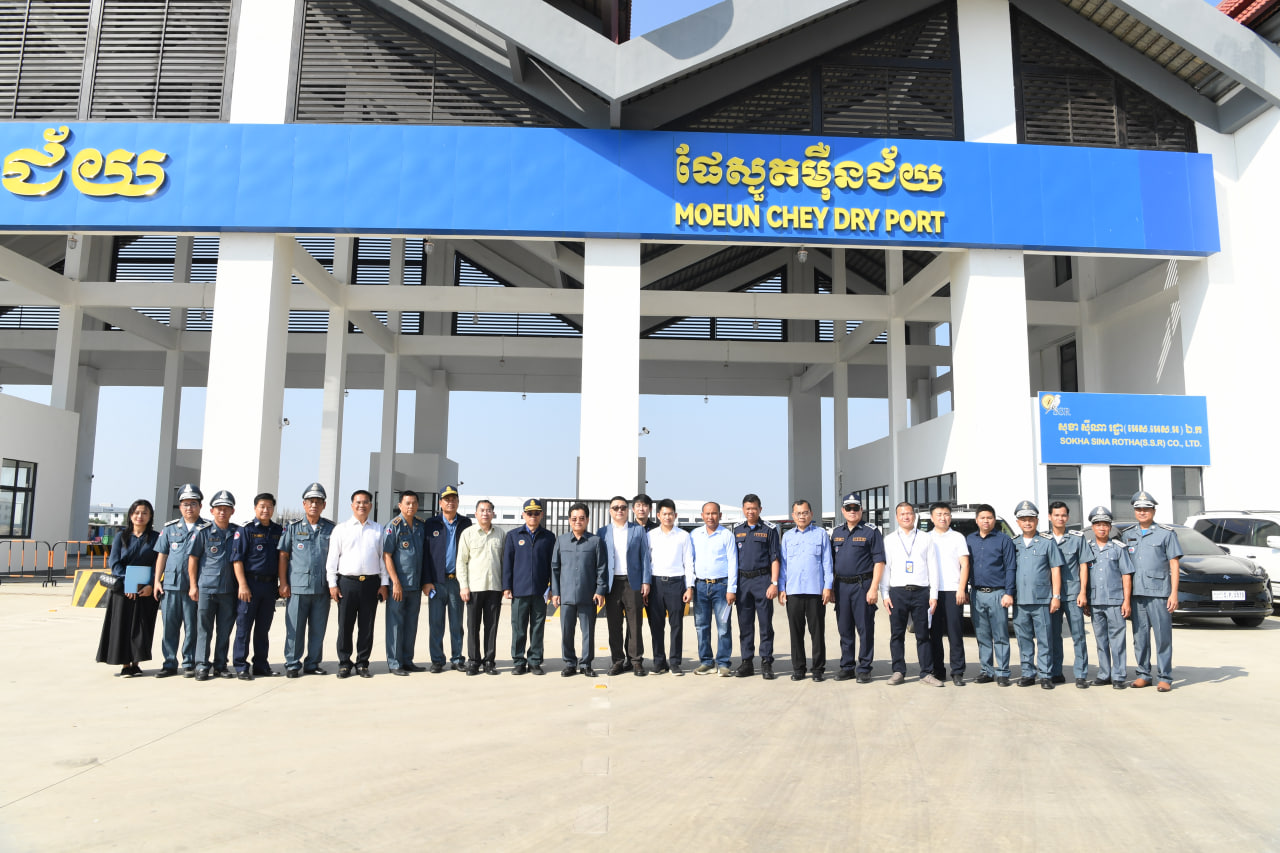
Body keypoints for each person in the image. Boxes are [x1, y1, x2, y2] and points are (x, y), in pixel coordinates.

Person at [1121, 490, 1182, 692]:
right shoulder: (1128, 534)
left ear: (1153, 511)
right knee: (1140, 637)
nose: (1142, 512)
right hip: (1137, 594)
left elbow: (1174, 564)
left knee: (1163, 637)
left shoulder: (1166, 534)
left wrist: (1174, 593)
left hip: (1159, 593)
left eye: (1146, 509)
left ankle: (1165, 676)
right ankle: (1143, 674)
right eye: (1138, 509)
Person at [325, 490, 389, 679]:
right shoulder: (341, 529)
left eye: (365, 502)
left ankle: (362, 663)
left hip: (371, 584)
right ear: (352, 505)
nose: (362, 505)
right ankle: (344, 663)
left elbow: (383, 559)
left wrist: (384, 583)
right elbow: (332, 559)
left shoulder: (378, 530)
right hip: (347, 584)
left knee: (366, 627)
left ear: (371, 505)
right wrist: (332, 584)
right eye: (358, 502)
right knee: (345, 625)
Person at [881, 502, 942, 687]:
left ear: (914, 516)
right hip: (897, 592)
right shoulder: (889, 540)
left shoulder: (925, 538)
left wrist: (934, 594)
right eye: (902, 514)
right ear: (897, 517)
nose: (906, 517)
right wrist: (885, 594)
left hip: (921, 592)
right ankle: (898, 671)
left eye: (909, 513)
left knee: (923, 634)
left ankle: (926, 673)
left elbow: (933, 567)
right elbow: (886, 568)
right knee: (897, 634)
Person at [96, 499, 159, 676]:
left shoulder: (156, 537)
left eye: (145, 513)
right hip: (124, 590)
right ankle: (125, 664)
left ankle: (136, 663)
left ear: (150, 516)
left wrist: (150, 584)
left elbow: (158, 563)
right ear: (131, 515)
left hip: (145, 590)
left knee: (142, 626)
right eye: (137, 512)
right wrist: (128, 584)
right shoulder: (120, 537)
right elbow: (114, 563)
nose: (140, 516)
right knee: (122, 626)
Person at [278, 483, 335, 677]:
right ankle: (292, 664)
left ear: (324, 505)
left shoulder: (330, 529)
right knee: (295, 629)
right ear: (304, 504)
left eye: (318, 502)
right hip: (298, 588)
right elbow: (283, 555)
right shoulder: (293, 528)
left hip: (321, 588)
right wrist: (283, 583)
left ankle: (312, 663)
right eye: (311, 501)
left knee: (318, 629)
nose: (314, 505)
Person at [830, 492, 884, 683]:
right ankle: (847, 667)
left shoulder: (871, 531)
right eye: (848, 508)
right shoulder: (836, 532)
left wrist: (874, 588)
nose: (852, 511)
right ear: (843, 510)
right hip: (841, 586)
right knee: (844, 628)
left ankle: (864, 668)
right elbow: (831, 563)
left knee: (865, 628)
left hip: (863, 586)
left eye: (855, 508)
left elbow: (879, 561)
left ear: (861, 509)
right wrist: (831, 588)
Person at [152, 484, 204, 678]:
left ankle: (189, 662)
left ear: (200, 506)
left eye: (193, 504)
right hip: (171, 586)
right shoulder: (170, 528)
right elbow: (162, 555)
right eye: (185, 504)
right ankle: (169, 663)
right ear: (180, 507)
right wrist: (157, 581)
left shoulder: (206, 528)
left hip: (194, 587)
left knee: (192, 627)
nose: (189, 508)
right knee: (170, 627)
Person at [230, 492, 284, 680]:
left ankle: (261, 665)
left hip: (269, 587)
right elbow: (237, 560)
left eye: (269, 506)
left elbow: (283, 559)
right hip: (250, 585)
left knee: (263, 629)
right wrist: (242, 585)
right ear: (255, 508)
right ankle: (240, 666)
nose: (266, 510)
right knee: (244, 627)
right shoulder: (246, 530)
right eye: (262, 506)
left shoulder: (278, 531)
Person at [187, 490, 240, 681]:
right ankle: (202, 665)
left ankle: (220, 665)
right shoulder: (203, 532)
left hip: (229, 590)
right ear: (211, 511)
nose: (222, 512)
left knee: (224, 630)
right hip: (206, 589)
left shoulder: (238, 533)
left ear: (232, 511)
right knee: (204, 629)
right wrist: (193, 586)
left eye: (226, 509)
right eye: (219, 509)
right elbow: (193, 560)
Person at [551, 502, 608, 677]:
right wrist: (556, 592)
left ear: (587, 520)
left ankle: (586, 664)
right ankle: (569, 663)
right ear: (569, 520)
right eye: (574, 518)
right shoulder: (561, 541)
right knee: (567, 632)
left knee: (588, 633)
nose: (578, 521)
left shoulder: (595, 542)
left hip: (588, 595)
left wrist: (600, 590)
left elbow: (601, 568)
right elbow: (555, 568)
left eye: (581, 518)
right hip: (566, 595)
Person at [1011, 500, 1064, 689]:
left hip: (1042, 600)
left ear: (1037, 521)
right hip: (1020, 600)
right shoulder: (1013, 543)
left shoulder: (1047, 542)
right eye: (1023, 519)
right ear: (1018, 522)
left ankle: (1046, 675)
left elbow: (1055, 570)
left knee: (1045, 639)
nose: (1027, 523)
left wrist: (1056, 596)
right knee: (1023, 639)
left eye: (1031, 519)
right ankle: (1027, 673)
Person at [779, 499, 832, 682]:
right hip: (793, 591)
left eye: (805, 512)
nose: (802, 516)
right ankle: (799, 668)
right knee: (796, 633)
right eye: (798, 513)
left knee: (817, 633)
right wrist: (781, 588)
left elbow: (827, 562)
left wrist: (828, 586)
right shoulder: (787, 537)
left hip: (815, 591)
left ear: (811, 514)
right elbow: (783, 565)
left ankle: (818, 669)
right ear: (793, 515)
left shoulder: (820, 534)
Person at [1081, 506, 1134, 690]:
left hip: (1115, 601)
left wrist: (1126, 601)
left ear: (1110, 527)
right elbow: (1084, 575)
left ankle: (1119, 676)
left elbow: (1126, 575)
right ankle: (1104, 674)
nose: (1102, 528)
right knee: (1101, 640)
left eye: (1105, 525)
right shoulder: (1088, 549)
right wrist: (1085, 598)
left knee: (1117, 640)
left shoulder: (1118, 548)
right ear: (1092, 527)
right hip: (1095, 601)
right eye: (1098, 525)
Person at [599, 494, 653, 676]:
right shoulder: (603, 532)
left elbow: (645, 557)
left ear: (628, 510)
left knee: (635, 624)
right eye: (616, 508)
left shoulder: (637, 530)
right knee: (614, 625)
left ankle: (636, 661)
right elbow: (600, 561)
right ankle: (617, 661)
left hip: (633, 582)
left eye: (623, 507)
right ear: (610, 511)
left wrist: (646, 581)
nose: (619, 510)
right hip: (612, 583)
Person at [502, 498, 556, 675]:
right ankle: (518, 661)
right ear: (523, 515)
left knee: (537, 628)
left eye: (536, 513)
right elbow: (507, 563)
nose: (533, 516)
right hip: (519, 591)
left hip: (540, 591)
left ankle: (534, 661)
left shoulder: (549, 537)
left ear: (541, 515)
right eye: (529, 513)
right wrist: (507, 586)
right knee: (519, 628)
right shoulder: (513, 536)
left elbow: (553, 565)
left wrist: (552, 588)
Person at [383, 490, 432, 676]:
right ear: (400, 505)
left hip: (415, 585)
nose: (411, 506)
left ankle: (407, 660)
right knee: (395, 624)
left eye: (414, 503)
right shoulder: (393, 526)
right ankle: (395, 663)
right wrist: (395, 582)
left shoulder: (421, 525)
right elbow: (387, 555)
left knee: (411, 624)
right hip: (399, 585)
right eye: (407, 503)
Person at [731, 493, 781, 680]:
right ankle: (747, 662)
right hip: (743, 582)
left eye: (754, 508)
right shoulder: (737, 530)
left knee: (765, 624)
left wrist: (774, 583)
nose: (750, 511)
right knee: (745, 624)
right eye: (747, 508)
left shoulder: (769, 529)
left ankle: (766, 661)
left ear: (760, 509)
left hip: (762, 580)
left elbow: (775, 558)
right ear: (743, 510)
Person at [424, 485, 472, 673]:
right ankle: (437, 660)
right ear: (440, 503)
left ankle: (457, 658)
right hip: (436, 582)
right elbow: (425, 555)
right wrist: (427, 581)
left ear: (458, 502)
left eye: (453, 499)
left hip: (456, 582)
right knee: (436, 623)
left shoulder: (465, 523)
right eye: (447, 499)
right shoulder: (431, 524)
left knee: (456, 623)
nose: (450, 502)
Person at [967, 504, 1017, 686]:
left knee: (1001, 635)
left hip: (998, 593)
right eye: (982, 518)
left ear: (994, 520)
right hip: (976, 593)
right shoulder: (969, 540)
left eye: (989, 518)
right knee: (982, 635)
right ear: (976, 520)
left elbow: (1010, 567)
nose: (986, 521)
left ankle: (1003, 672)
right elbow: (964, 566)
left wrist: (1009, 593)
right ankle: (986, 671)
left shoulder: (1004, 540)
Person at [688, 501, 738, 677]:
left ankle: (723, 663)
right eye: (707, 513)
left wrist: (732, 589)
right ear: (702, 516)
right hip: (700, 586)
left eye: (714, 513)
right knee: (701, 626)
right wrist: (690, 585)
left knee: (723, 626)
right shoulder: (694, 535)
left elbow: (733, 562)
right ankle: (706, 662)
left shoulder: (727, 535)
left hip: (721, 586)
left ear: (720, 515)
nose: (711, 517)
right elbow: (690, 562)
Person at [646, 498, 694, 675]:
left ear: (676, 515)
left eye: (670, 514)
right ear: (658, 515)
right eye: (664, 514)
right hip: (656, 583)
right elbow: (646, 562)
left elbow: (689, 562)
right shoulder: (650, 536)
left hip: (676, 583)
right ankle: (659, 662)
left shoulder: (683, 536)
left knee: (676, 625)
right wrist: (646, 585)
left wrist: (689, 587)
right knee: (656, 625)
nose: (667, 517)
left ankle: (675, 663)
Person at [457, 499, 504, 675]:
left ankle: (489, 661)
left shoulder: (500, 534)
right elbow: (461, 562)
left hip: (494, 587)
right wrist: (464, 586)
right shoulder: (468, 534)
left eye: (488, 510)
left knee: (491, 626)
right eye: (482, 510)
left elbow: (505, 561)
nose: (485, 513)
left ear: (493, 514)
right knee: (473, 626)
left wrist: (505, 586)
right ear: (476, 514)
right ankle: (474, 661)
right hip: (474, 588)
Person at [1046, 501, 1089, 688]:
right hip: (1051, 595)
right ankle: (1056, 672)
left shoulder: (1077, 539)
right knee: (1054, 636)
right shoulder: (1043, 539)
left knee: (1078, 635)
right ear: (1050, 517)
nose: (1060, 518)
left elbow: (1083, 566)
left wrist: (1083, 592)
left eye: (1063, 515)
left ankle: (1081, 674)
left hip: (1073, 594)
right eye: (1056, 515)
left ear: (1068, 517)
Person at [927, 502, 970, 686]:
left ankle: (957, 671)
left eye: (946, 514)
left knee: (955, 633)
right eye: (939, 514)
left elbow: (965, 564)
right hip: (933, 592)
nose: (943, 518)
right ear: (932, 518)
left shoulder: (957, 537)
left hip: (953, 591)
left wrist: (961, 588)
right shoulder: (926, 538)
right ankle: (938, 670)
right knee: (934, 634)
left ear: (950, 517)